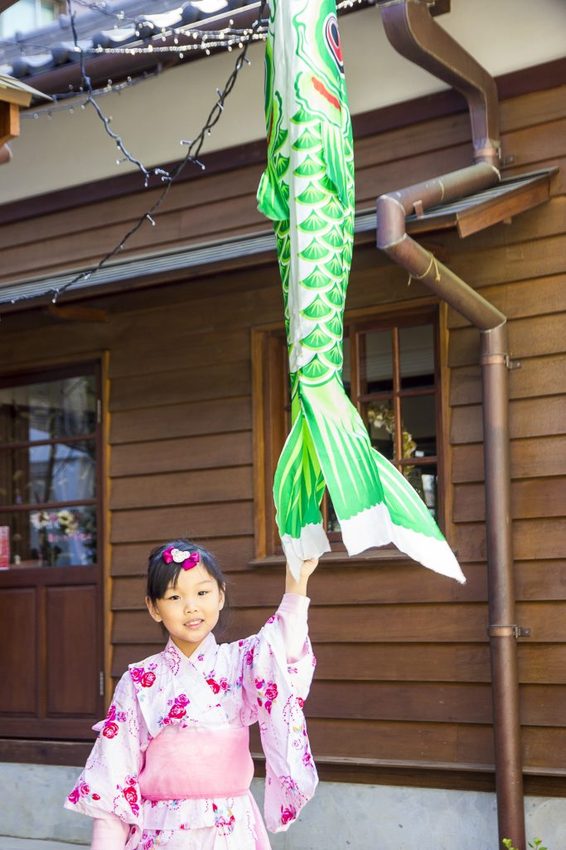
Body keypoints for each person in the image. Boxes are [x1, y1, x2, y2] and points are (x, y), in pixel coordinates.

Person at [65, 538, 319, 850]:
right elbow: (113, 778)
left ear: (220, 596)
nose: (191, 606)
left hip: (230, 831)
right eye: (174, 597)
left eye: (202, 593)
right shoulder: (139, 681)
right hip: (161, 833)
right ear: (154, 607)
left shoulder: (240, 662)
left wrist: (296, 584)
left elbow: (281, 652)